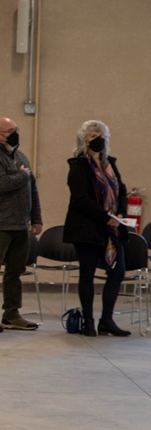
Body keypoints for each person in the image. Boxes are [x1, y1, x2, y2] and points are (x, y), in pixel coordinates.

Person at [0, 117, 43, 333]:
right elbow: (2, 184)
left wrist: (36, 218)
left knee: (15, 271)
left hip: (20, 224)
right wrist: (22, 175)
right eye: (10, 130)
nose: (15, 134)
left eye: (16, 129)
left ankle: (11, 313)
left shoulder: (20, 156)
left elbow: (32, 190)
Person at [64, 120, 130, 337]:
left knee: (117, 271)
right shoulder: (79, 165)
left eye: (101, 136)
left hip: (112, 229)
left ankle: (107, 320)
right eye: (93, 136)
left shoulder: (110, 163)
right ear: (84, 140)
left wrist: (119, 214)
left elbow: (120, 190)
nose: (98, 140)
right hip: (88, 228)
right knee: (87, 274)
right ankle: (89, 321)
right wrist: (105, 217)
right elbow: (80, 199)